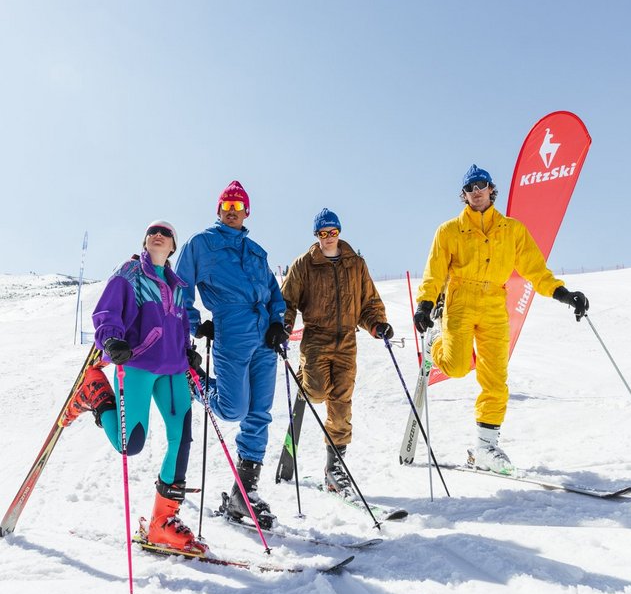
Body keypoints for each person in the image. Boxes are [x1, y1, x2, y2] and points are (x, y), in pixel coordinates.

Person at [414, 164, 590, 474]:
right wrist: (425, 305)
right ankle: (436, 346)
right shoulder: (449, 231)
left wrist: (563, 294)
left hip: (495, 303)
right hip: (460, 301)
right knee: (457, 367)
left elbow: (535, 269)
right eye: (470, 188)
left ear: (491, 189)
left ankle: (486, 447)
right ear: (464, 195)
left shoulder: (512, 230)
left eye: (481, 185)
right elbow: (434, 272)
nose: (476, 191)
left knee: (495, 378)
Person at [62, 220, 207, 554]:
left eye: (165, 233)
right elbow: (107, 310)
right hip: (138, 363)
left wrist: (187, 351)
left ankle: (162, 523)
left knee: (181, 439)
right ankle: (96, 393)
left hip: (173, 369)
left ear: (172, 246)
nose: (158, 235)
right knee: (131, 444)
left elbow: (179, 324)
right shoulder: (130, 272)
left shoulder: (178, 285)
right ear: (145, 242)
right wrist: (111, 339)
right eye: (152, 231)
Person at [175, 180, 288, 529]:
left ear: (247, 212)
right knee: (232, 407)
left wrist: (278, 322)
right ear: (219, 209)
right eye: (227, 206)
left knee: (259, 413)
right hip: (232, 329)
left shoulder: (256, 251)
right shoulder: (201, 244)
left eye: (238, 207)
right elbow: (180, 287)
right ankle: (195, 383)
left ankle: (244, 492)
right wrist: (195, 325)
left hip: (264, 336)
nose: (232, 212)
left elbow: (274, 293)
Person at [280, 208, 391, 497]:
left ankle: (334, 468)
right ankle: (305, 377)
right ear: (316, 235)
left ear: (339, 232)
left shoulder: (355, 264)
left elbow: (368, 302)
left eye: (333, 232)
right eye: (323, 233)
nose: (329, 237)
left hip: (347, 342)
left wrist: (377, 324)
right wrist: (283, 325)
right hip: (316, 339)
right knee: (317, 393)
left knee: (341, 404)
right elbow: (287, 301)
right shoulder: (304, 264)